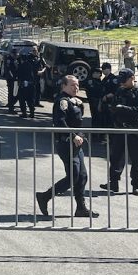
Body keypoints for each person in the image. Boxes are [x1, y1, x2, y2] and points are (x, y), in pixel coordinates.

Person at [35, 75, 98, 218]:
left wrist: (80, 135)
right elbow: (60, 122)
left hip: (77, 145)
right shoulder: (62, 102)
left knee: (82, 176)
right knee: (74, 176)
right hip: (65, 143)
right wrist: (73, 136)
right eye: (72, 85)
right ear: (63, 86)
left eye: (77, 85)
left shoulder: (77, 102)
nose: (76, 88)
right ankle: (44, 197)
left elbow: (79, 124)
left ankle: (81, 208)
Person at [100, 69, 138, 196]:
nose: (123, 83)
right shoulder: (120, 90)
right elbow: (114, 105)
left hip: (135, 129)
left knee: (137, 159)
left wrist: (124, 109)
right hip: (120, 128)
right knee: (115, 157)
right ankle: (113, 182)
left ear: (132, 77)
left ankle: (136, 185)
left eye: (124, 80)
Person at [16, 51, 38, 118]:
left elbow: (18, 74)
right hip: (31, 84)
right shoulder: (32, 65)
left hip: (24, 85)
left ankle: (24, 113)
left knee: (22, 99)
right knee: (30, 99)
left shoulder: (21, 66)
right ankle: (32, 113)